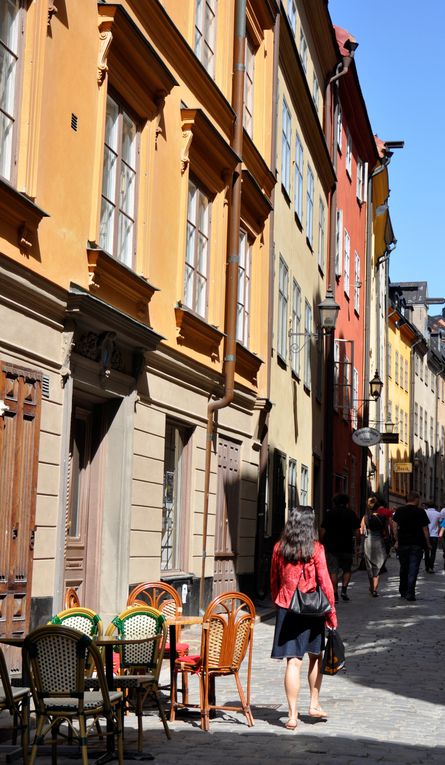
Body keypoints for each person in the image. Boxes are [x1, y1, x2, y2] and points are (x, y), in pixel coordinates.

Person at [270, 506, 337, 730]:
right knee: (315, 656)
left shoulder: (279, 548)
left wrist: (279, 600)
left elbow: (273, 580)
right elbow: (325, 582)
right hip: (311, 609)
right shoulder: (316, 549)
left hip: (287, 607)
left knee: (293, 661)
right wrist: (331, 613)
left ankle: (291, 716)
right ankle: (314, 704)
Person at [320, 493, 360, 602]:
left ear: (334, 502)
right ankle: (344, 590)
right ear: (347, 503)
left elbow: (323, 530)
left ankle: (334, 593)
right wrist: (357, 544)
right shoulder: (351, 514)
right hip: (346, 545)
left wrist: (321, 542)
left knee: (333, 571)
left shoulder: (329, 514)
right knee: (347, 569)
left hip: (331, 546)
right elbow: (357, 531)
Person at [391, 490, 431, 601]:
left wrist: (397, 540)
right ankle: (410, 592)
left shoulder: (399, 511)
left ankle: (402, 591)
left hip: (403, 544)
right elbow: (425, 530)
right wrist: (427, 543)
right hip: (417, 544)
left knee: (404, 568)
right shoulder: (421, 512)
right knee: (413, 569)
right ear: (416, 499)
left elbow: (394, 527)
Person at [360, 497, 388, 597]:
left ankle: (372, 587)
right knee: (378, 566)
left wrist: (360, 548)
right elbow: (385, 532)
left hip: (368, 542)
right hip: (379, 542)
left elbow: (361, 532)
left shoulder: (365, 517)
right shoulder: (383, 517)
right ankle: (375, 589)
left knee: (369, 566)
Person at [424, 502, 441, 572]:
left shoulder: (425, 512)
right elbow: (439, 525)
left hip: (426, 535)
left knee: (426, 551)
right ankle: (431, 567)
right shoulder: (438, 514)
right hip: (434, 535)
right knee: (433, 552)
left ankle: (427, 567)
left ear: (427, 506)